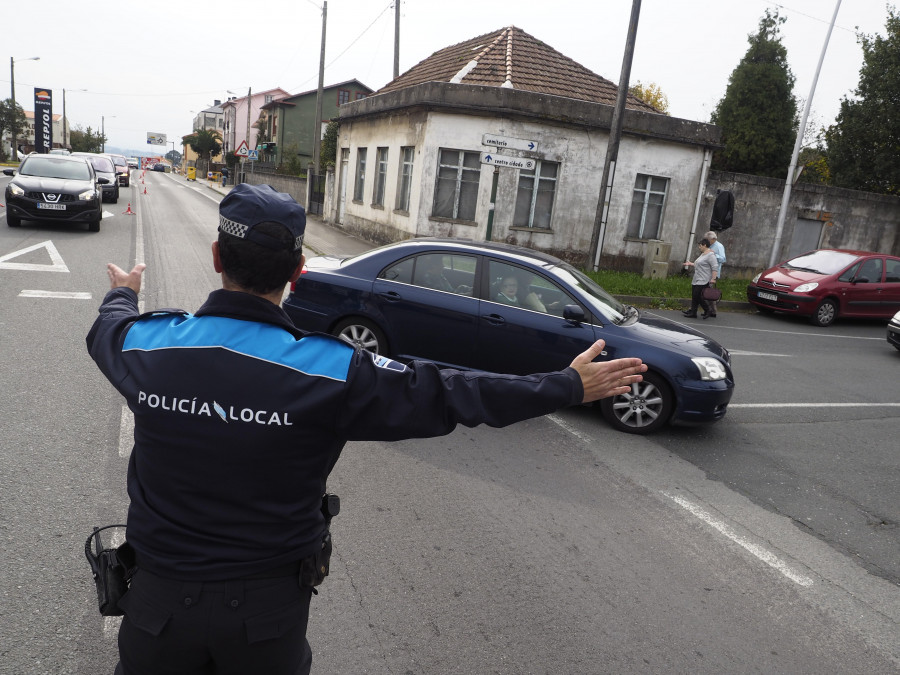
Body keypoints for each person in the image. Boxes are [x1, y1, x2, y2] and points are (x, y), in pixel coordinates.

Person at [86, 183, 647, 675]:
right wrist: (567, 386)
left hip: (157, 606)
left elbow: (106, 329)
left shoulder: (145, 344)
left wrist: (125, 292)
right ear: (297, 271)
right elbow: (453, 393)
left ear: (216, 257)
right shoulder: (331, 370)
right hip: (264, 617)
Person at [681, 238, 719, 319]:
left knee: (698, 295)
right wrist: (690, 264)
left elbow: (715, 267)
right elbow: (698, 264)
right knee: (694, 296)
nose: (699, 247)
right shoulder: (703, 254)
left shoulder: (711, 255)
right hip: (697, 278)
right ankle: (693, 312)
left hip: (704, 279)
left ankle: (708, 310)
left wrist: (713, 278)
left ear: (705, 245)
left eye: (700, 245)